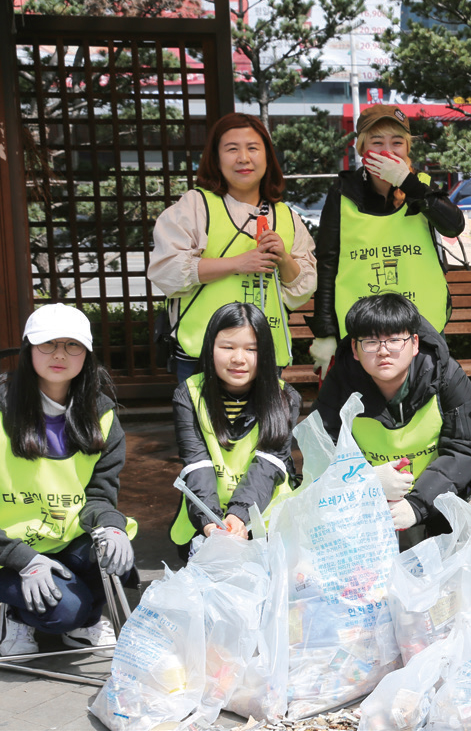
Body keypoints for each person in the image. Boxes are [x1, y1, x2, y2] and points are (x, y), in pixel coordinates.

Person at [0, 304, 136, 658]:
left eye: (72, 345)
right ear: (29, 348)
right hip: (7, 549)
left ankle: (77, 619)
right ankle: (14, 615)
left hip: (64, 539)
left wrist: (112, 527)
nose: (60, 354)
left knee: (118, 562)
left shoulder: (100, 413)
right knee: (66, 611)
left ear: (87, 355)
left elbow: (99, 494)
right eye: (48, 344)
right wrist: (21, 558)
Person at [147, 112, 317, 383]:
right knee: (201, 426)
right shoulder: (194, 206)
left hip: (265, 354)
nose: (243, 158)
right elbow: (166, 271)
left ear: (267, 156)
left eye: (253, 148)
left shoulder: (287, 216)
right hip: (201, 354)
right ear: (215, 158)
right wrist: (238, 263)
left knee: (267, 427)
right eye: (231, 149)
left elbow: (303, 289)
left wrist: (283, 259)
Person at [307, 104, 465, 376]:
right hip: (361, 333)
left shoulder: (422, 186)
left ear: (408, 148)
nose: (387, 151)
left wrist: (408, 183)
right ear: (361, 147)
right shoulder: (342, 194)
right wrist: (325, 333)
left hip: (421, 330)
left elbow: (454, 226)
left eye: (397, 142)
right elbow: (327, 264)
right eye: (376, 142)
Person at [312, 293, 471, 542]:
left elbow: (465, 449)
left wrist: (417, 504)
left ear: (415, 344)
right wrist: (368, 480)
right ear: (355, 349)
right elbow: (321, 450)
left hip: (442, 492)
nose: (383, 351)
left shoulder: (446, 375)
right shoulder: (340, 383)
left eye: (394, 340)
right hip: (368, 500)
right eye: (370, 342)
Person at [170, 302, 301, 547]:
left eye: (251, 349)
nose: (238, 358)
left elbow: (269, 463)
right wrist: (211, 522)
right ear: (210, 349)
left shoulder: (285, 397)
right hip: (207, 516)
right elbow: (196, 462)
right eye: (227, 347)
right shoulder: (188, 394)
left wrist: (238, 515)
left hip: (269, 522)